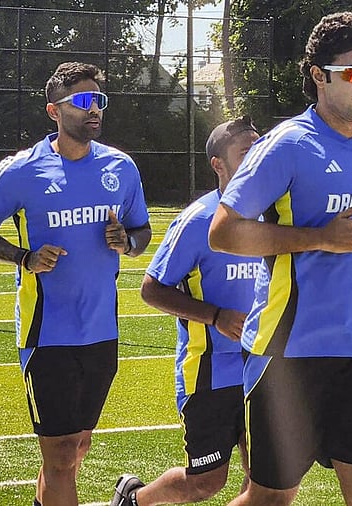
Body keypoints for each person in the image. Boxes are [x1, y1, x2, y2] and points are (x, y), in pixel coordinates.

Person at [207, 12, 352, 506]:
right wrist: (319, 238)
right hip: (289, 352)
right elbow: (224, 232)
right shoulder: (286, 144)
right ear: (319, 74)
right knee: (271, 498)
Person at [0, 61, 151, 506]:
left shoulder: (120, 168)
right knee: (62, 453)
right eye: (82, 101)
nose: (94, 109)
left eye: (98, 100)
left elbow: (141, 233)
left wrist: (127, 242)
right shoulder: (22, 170)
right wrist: (23, 258)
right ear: (54, 111)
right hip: (47, 333)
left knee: (75, 448)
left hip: (102, 331)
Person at [110, 117, 262, 505]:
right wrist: (215, 316)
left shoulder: (275, 213)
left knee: (264, 478)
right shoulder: (197, 220)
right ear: (218, 164)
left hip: (265, 364)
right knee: (206, 482)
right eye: (246, 152)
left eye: (260, 149)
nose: (258, 158)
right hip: (211, 368)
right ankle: (135, 498)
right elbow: (151, 288)